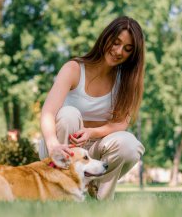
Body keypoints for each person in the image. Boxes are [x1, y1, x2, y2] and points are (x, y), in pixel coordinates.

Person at [39, 16, 145, 200]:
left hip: (92, 150)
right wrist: (52, 144)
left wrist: (91, 132)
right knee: (68, 114)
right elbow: (48, 112)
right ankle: (60, 188)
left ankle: (101, 195)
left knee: (130, 144)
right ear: (106, 38)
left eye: (127, 49)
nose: (119, 51)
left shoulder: (127, 81)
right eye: (116, 42)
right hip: (59, 145)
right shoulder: (73, 69)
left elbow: (120, 124)